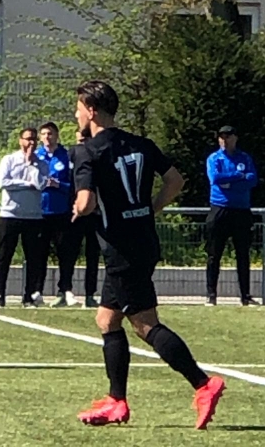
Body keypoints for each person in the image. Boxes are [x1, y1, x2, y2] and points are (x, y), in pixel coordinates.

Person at [72, 80, 225, 430]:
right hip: (143, 240)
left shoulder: (88, 151)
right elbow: (176, 181)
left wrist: (78, 208)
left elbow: (86, 202)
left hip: (121, 249)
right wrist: (151, 208)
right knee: (107, 320)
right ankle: (116, 400)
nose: (76, 115)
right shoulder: (141, 143)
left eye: (78, 109)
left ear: (91, 111)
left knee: (145, 325)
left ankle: (203, 384)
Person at [205, 125, 260, 307]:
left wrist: (231, 183)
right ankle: (211, 295)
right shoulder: (214, 158)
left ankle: (245, 296)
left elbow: (252, 180)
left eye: (228, 136)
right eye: (221, 137)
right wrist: (238, 175)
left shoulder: (244, 158)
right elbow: (216, 179)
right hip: (219, 208)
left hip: (241, 210)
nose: (224, 140)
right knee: (214, 254)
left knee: (243, 254)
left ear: (235, 138)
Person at [0, 127, 48, 308]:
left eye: (34, 139)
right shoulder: (9, 160)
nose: (31, 143)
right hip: (10, 215)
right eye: (27, 139)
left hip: (33, 217)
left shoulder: (41, 164)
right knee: (4, 256)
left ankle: (28, 297)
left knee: (33, 258)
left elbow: (41, 184)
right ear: (20, 141)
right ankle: (0, 295)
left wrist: (31, 164)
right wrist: (26, 184)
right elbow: (4, 182)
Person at [36, 121, 78, 307]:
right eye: (44, 134)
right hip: (40, 212)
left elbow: (74, 186)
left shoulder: (66, 156)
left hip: (61, 212)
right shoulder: (36, 156)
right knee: (39, 254)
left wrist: (58, 185)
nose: (47, 137)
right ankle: (37, 291)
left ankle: (65, 290)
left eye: (50, 134)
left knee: (65, 253)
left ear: (57, 136)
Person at [67, 129, 101, 308]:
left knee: (92, 255)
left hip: (94, 212)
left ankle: (90, 294)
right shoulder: (71, 153)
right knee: (70, 252)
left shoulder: (96, 153)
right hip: (75, 211)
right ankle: (65, 290)